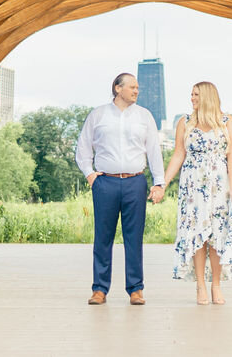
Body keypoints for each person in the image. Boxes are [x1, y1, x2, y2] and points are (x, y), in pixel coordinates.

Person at [75, 73, 165, 306]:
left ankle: (136, 289)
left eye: (138, 87)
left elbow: (154, 151)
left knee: (133, 238)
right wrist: (90, 175)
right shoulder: (98, 115)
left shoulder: (144, 116)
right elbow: (83, 148)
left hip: (135, 182)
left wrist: (159, 183)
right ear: (118, 88)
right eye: (132, 87)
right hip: (105, 183)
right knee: (102, 237)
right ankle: (99, 289)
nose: (137, 91)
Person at [163, 81, 232, 305]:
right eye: (191, 94)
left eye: (196, 94)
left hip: (219, 184)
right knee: (197, 235)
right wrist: (164, 182)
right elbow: (179, 153)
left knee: (218, 235)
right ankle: (200, 286)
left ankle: (216, 284)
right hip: (192, 186)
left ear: (207, 96)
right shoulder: (185, 122)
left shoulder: (228, 123)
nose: (192, 98)